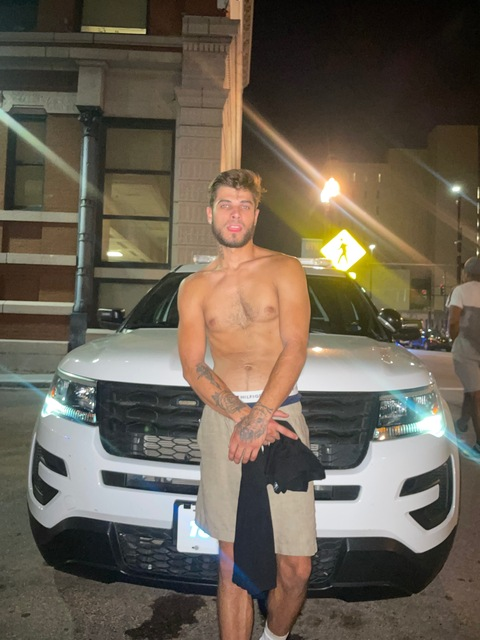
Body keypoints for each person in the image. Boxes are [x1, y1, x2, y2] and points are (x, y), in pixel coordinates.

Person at [177, 169, 316, 640]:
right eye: (225, 205)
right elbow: (193, 364)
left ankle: (274, 636)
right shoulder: (194, 287)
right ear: (209, 213)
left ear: (256, 214)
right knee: (232, 563)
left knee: (295, 567)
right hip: (225, 421)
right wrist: (242, 416)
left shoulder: (285, 268)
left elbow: (295, 345)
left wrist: (260, 417)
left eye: (244, 205)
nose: (234, 214)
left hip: (282, 415)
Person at [447, 255, 480, 459]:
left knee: (475, 393)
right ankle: (463, 420)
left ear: (466, 273)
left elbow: (453, 321)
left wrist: (454, 338)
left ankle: (479, 442)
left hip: (466, 350)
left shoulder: (460, 291)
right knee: (473, 389)